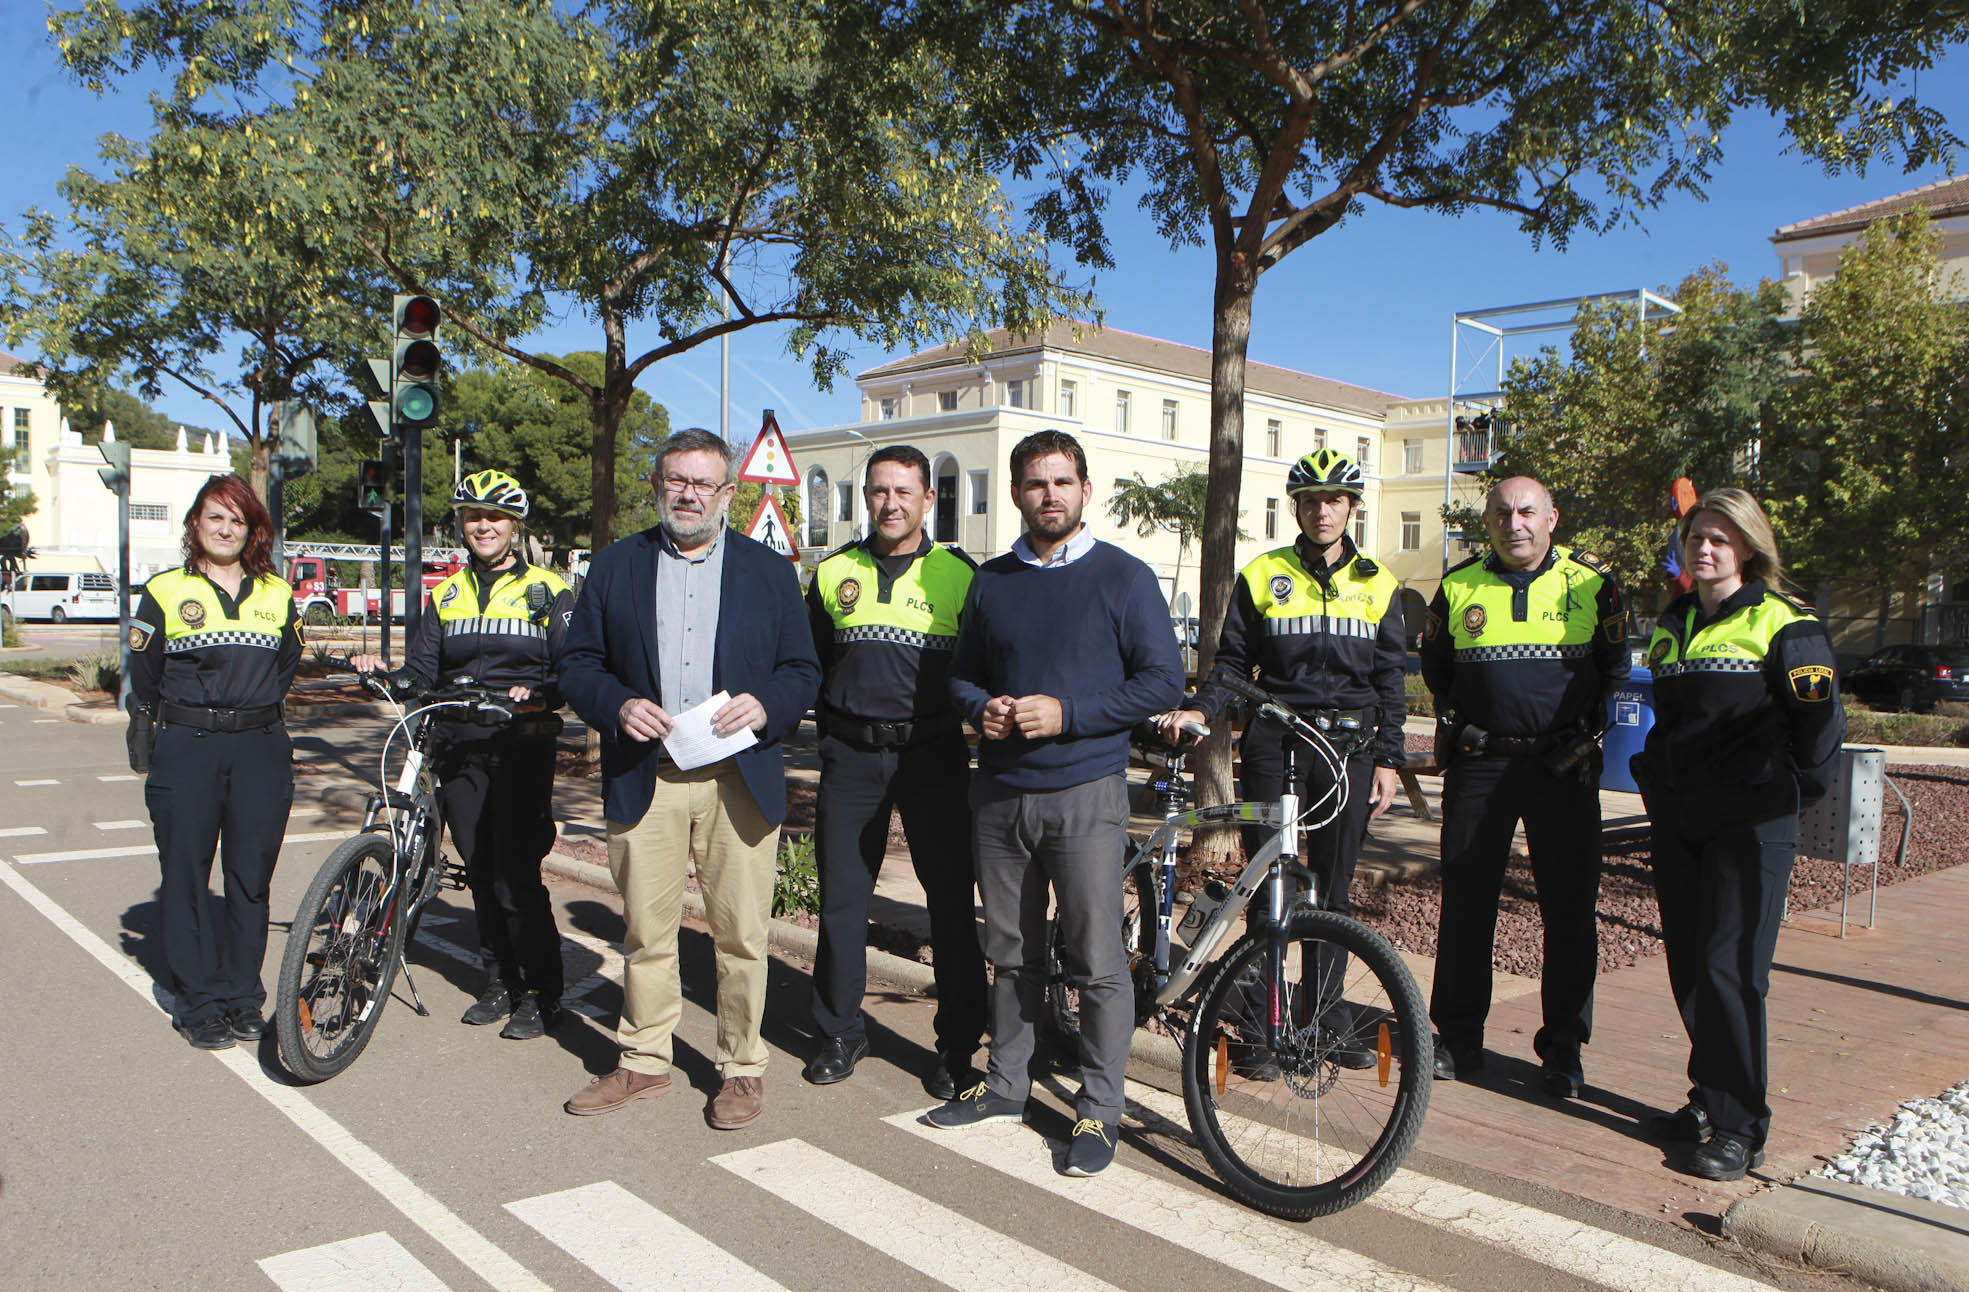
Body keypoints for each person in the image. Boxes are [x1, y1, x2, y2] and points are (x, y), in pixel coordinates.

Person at [929, 429, 1184, 1177]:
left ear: (1084, 490)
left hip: (1084, 793)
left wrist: (1065, 713)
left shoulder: (1124, 578)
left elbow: (1160, 683)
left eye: (1062, 482)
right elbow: (961, 678)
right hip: (1000, 793)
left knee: (1097, 961)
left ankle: (1098, 1112)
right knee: (1010, 953)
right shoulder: (992, 581)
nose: (1050, 495)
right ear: (1016, 493)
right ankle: (1006, 1084)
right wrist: (987, 710)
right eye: (1036, 483)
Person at [558, 428, 819, 1130]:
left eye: (704, 483)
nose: (688, 494)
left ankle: (739, 1069)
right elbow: (578, 664)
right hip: (649, 776)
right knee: (646, 931)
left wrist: (769, 705)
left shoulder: (769, 573)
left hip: (738, 776)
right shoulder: (615, 567)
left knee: (740, 935)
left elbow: (803, 670)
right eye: (676, 480)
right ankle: (643, 1060)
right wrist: (616, 704)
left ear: (729, 493)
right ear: (656, 485)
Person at [1156, 449, 1406, 1068]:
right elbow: (1234, 665)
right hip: (1276, 744)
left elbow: (1392, 680)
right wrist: (1203, 710)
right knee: (1272, 885)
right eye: (1311, 501)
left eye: (1335, 501)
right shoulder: (1263, 574)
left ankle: (1326, 1013)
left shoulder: (1380, 582)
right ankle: (1265, 1024)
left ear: (1352, 508)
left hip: (1347, 749)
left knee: (1333, 888)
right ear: (1296, 507)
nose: (1323, 511)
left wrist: (1390, 758)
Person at [1635, 488, 1843, 1181]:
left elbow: (1819, 732)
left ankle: (1740, 1125)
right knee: (1691, 968)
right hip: (1681, 820)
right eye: (1697, 535)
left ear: (1748, 547)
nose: (1705, 548)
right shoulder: (1673, 624)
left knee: (1730, 970)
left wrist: (1783, 793)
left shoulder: (1788, 624)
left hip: (1750, 824)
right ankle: (1707, 1097)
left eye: (1720, 538)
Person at [1420, 475, 1627, 1096]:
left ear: (1551, 518)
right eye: (1503, 512)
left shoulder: (1593, 584)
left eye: (1527, 511)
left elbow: (1615, 675)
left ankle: (1563, 1047)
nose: (1515, 523)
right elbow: (1439, 673)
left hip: (1561, 767)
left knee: (1569, 910)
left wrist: (1586, 739)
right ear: (1487, 522)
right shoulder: (1458, 586)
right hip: (1483, 765)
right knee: (1467, 906)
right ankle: (1456, 1038)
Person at [349, 469, 574, 1040]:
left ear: (514, 526)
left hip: (519, 746)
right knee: (477, 870)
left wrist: (542, 693)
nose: (483, 526)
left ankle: (543, 990)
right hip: (457, 746)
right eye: (473, 517)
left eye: (495, 517)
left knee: (514, 875)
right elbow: (423, 670)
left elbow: (571, 670)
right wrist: (390, 675)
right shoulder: (444, 593)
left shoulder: (548, 589)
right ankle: (499, 980)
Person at [804, 445, 987, 1099]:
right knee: (843, 905)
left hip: (932, 756)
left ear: (927, 499)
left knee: (948, 907)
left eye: (903, 492)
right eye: (879, 491)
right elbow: (812, 667)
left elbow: (985, 670)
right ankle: (839, 1032)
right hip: (850, 758)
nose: (890, 503)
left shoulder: (960, 576)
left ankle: (957, 1047)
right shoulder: (832, 573)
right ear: (866, 498)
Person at [129, 474, 302, 1049]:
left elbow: (285, 666)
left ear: (253, 530)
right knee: (186, 876)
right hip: (188, 748)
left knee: (249, 881)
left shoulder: (277, 593)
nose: (226, 529)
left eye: (238, 520)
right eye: (215, 518)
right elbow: (146, 676)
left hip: (259, 748)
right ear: (195, 526)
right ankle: (198, 999)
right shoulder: (163, 591)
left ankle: (241, 995)